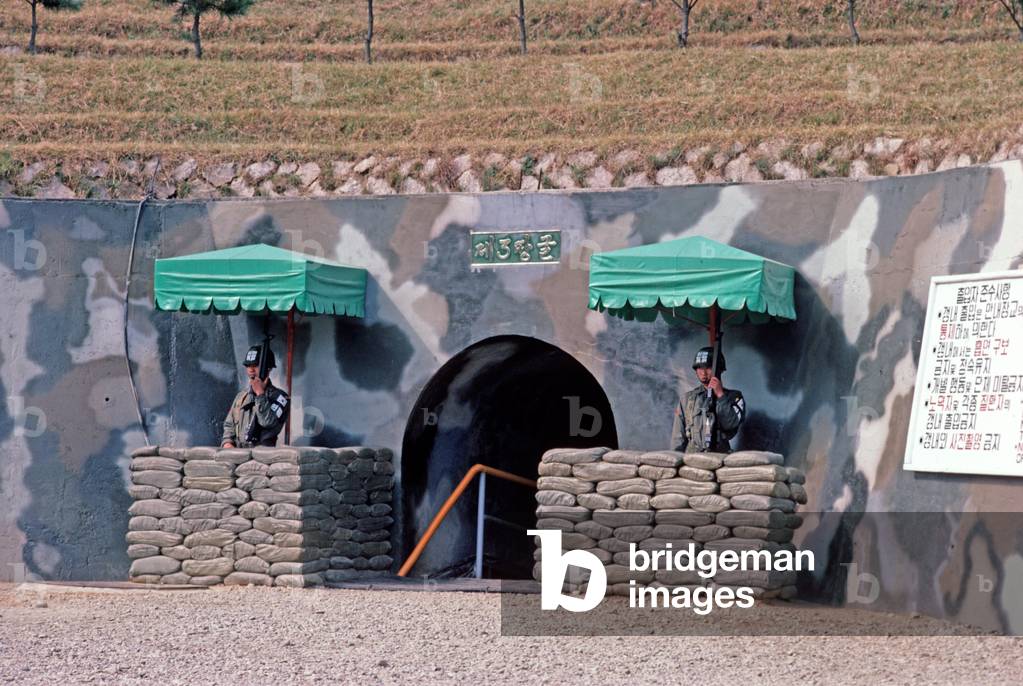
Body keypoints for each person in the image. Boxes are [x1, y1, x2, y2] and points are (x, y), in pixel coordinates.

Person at [671, 346, 745, 454]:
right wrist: (676, 459)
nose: (703, 372)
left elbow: (731, 424)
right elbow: (678, 437)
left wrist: (720, 395)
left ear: (719, 369)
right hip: (693, 457)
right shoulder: (687, 399)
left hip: (721, 454)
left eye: (708, 367)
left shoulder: (734, 397)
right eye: (699, 368)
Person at [221, 343, 290, 448]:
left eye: (255, 365)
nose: (250, 370)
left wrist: (260, 394)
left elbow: (267, 422)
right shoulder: (241, 397)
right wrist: (228, 443)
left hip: (262, 457)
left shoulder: (281, 397)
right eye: (248, 365)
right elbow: (229, 425)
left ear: (268, 368)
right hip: (238, 455)